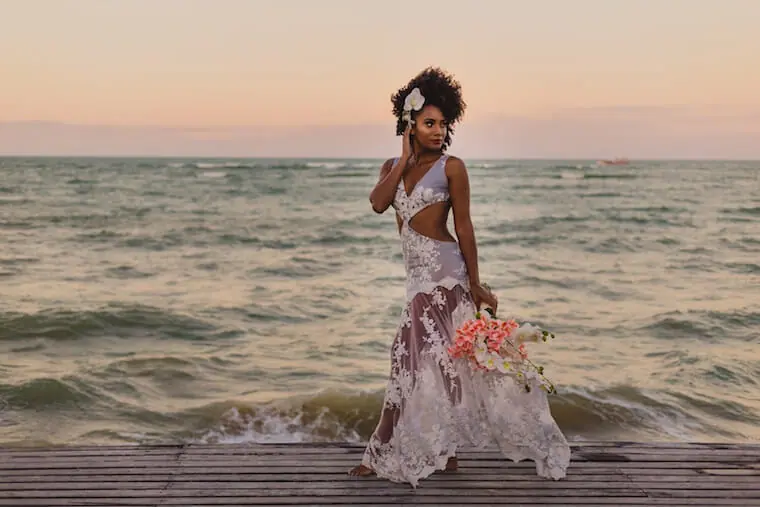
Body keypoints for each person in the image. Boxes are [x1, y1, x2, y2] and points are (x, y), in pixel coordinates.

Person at [348, 67, 570, 487]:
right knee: (410, 362)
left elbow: (464, 227)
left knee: (444, 366)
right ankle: (411, 453)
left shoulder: (453, 167)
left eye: (442, 124)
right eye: (428, 123)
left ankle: (399, 454)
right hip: (417, 282)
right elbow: (379, 204)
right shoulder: (391, 166)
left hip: (448, 277)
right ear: (409, 124)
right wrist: (402, 156)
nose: (438, 131)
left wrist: (475, 283)